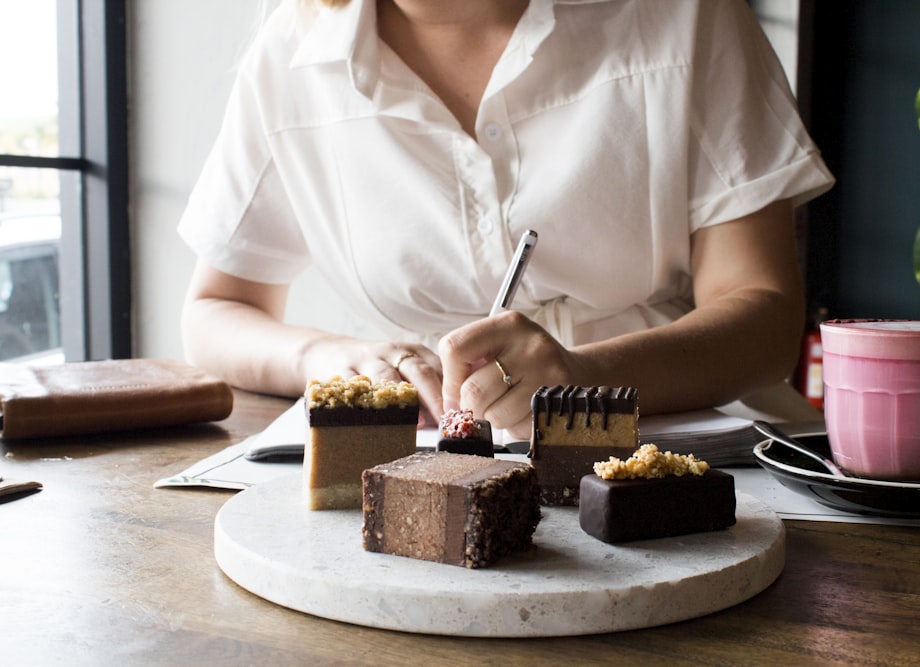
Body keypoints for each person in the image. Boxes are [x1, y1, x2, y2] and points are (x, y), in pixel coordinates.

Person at [179, 0, 834, 438]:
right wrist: (333, 359)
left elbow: (766, 312)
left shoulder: (684, 16)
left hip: (689, 462)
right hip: (426, 469)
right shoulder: (291, 55)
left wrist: (585, 380)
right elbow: (213, 312)